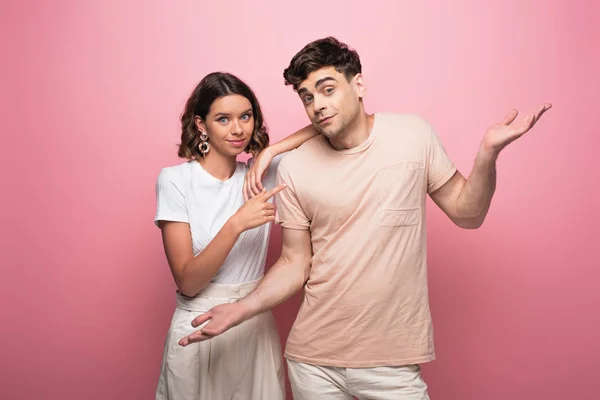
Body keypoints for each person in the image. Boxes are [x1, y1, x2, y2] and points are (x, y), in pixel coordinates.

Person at [178, 38, 552, 399]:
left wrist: (487, 155)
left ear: (358, 85)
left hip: (392, 364)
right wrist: (241, 309)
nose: (317, 105)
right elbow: (294, 262)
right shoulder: (294, 168)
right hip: (313, 363)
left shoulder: (413, 136)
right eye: (307, 97)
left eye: (327, 90)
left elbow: (467, 214)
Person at [154, 71, 317, 400]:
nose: (238, 129)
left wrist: (270, 153)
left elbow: (325, 128)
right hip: (198, 327)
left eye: (246, 116)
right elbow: (188, 281)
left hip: (252, 323)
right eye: (223, 119)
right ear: (201, 125)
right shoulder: (175, 181)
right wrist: (236, 223)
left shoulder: (262, 174)